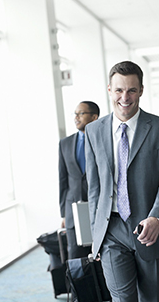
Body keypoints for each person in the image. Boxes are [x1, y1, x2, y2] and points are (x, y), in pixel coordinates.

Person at [85, 61, 159, 302]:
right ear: (109, 89)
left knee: (153, 298)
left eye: (131, 90)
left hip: (150, 227)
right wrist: (95, 235)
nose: (125, 97)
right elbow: (94, 188)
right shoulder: (94, 130)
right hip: (111, 229)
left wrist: (156, 217)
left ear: (141, 90)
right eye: (119, 90)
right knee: (122, 299)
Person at [59, 101, 99, 259]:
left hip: (99, 208)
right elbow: (62, 179)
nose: (76, 117)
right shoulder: (65, 143)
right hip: (73, 210)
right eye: (75, 114)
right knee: (75, 258)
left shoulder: (105, 141)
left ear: (94, 117)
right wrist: (63, 213)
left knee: (102, 257)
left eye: (81, 113)